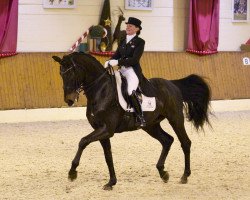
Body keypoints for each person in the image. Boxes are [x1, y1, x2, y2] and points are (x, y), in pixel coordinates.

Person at [104, 17, 146, 127]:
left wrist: (117, 61)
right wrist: (109, 61)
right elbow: (117, 55)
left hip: (131, 71)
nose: (127, 27)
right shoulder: (123, 40)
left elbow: (134, 60)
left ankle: (140, 116)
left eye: (130, 26)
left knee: (129, 91)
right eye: (127, 25)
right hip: (120, 69)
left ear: (137, 29)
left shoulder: (140, 42)